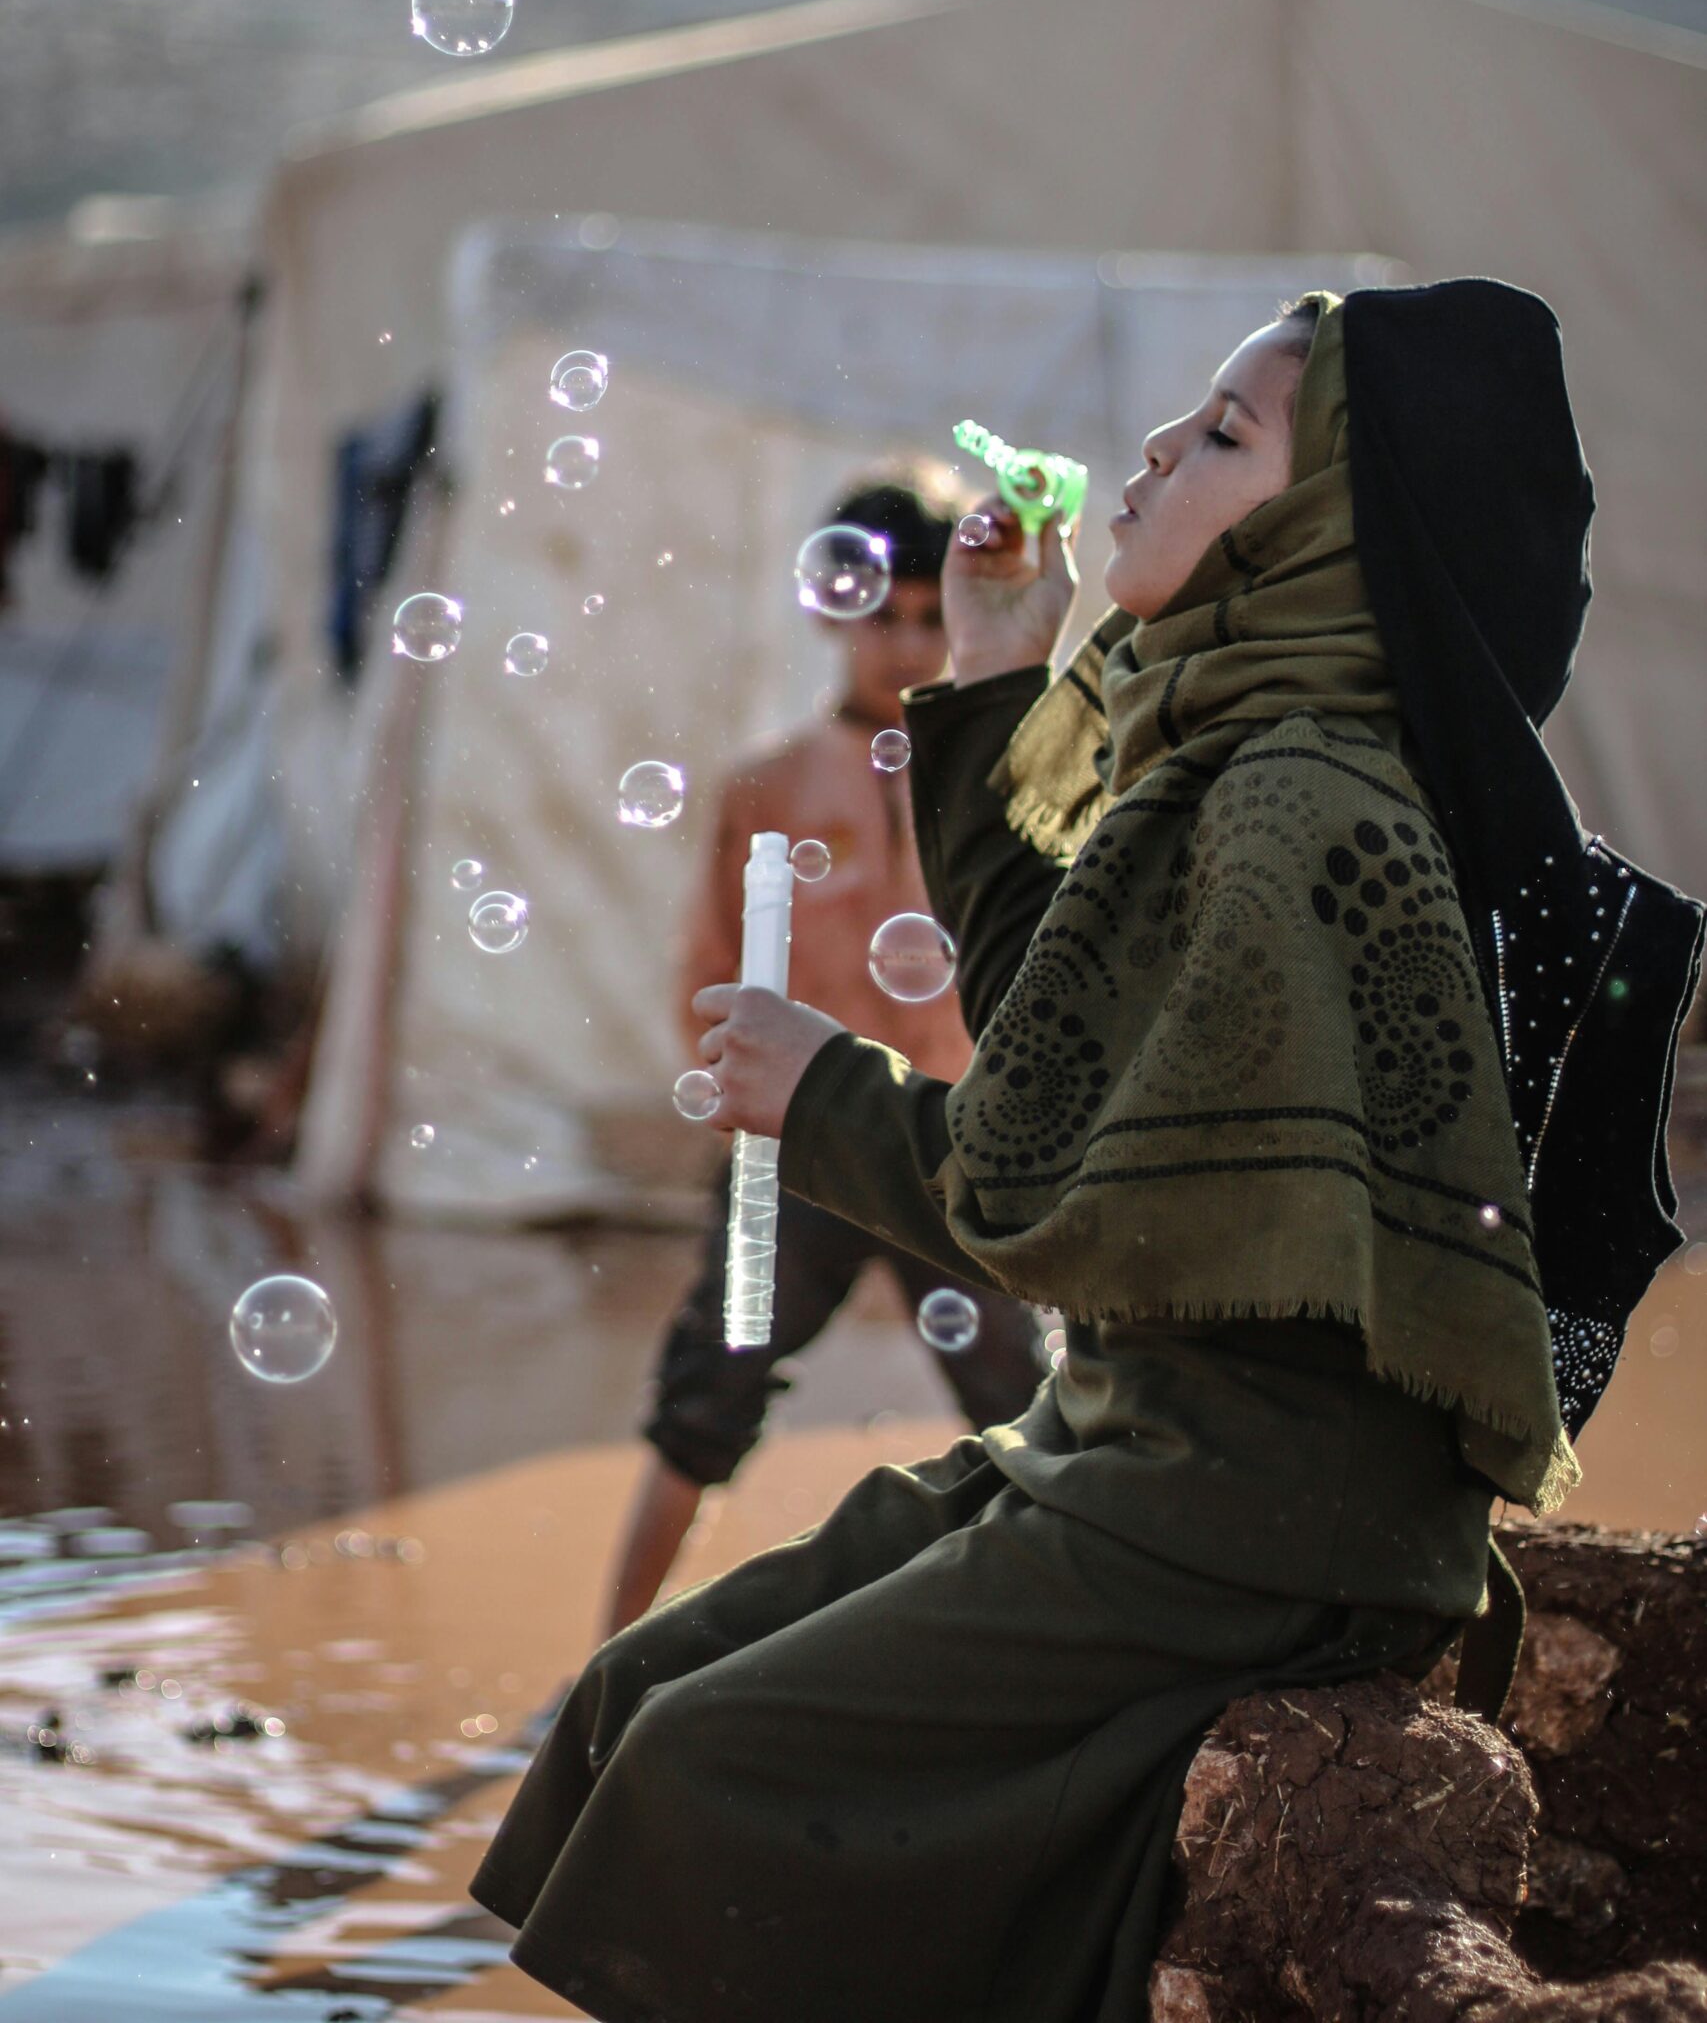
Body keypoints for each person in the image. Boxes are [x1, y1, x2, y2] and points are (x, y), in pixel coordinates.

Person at [473, 282, 1703, 2023]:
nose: (1151, 448)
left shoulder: (1305, 802)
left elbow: (1076, 1203)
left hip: (1249, 1512)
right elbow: (1061, 1039)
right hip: (1139, 1447)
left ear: (1330, 530)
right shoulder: (1241, 760)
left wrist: (826, 1098)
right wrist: (991, 667)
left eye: (1221, 435)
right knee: (630, 1696)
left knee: (697, 1764)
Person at [603, 473, 1044, 1636]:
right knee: (710, 1391)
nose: (905, 643)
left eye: (928, 617)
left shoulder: (1001, 783)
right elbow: (708, 972)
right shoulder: (767, 786)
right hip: (793, 1145)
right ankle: (605, 1657)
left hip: (950, 1135)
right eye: (882, 616)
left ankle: (1064, 1654)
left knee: (1030, 1405)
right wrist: (741, 1116)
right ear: (833, 615)